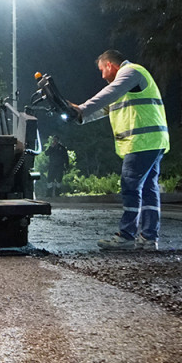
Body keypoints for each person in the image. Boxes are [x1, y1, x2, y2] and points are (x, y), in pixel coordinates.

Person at [73, 49, 169, 250]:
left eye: (102, 70)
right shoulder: (126, 84)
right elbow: (103, 109)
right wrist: (79, 115)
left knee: (130, 186)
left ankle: (126, 236)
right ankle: (149, 238)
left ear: (109, 64)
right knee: (149, 189)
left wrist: (81, 108)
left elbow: (109, 93)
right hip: (152, 141)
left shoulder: (131, 72)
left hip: (141, 142)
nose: (102, 76)